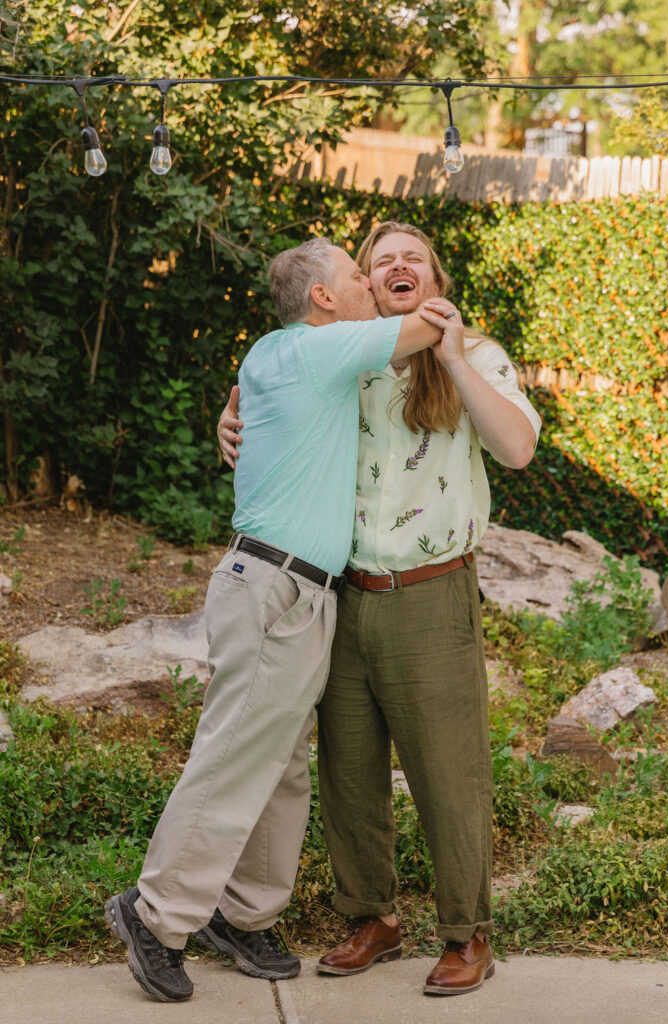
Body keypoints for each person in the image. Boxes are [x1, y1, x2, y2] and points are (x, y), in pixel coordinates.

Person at [105, 235, 461, 1003]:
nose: (373, 284)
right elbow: (432, 320)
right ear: (325, 298)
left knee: (281, 763)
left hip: (297, 590)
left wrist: (228, 419)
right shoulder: (316, 350)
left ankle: (244, 915)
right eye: (361, 276)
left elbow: (251, 415)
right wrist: (426, 292)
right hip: (275, 585)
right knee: (234, 754)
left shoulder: (277, 355)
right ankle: (156, 913)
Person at [218, 222, 541, 997]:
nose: (396, 267)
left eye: (413, 259)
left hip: (431, 594)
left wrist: (454, 359)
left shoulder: (478, 356)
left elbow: (517, 448)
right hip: (339, 594)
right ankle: (373, 917)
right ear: (362, 283)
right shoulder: (346, 359)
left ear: (434, 276)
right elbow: (268, 414)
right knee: (349, 772)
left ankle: (467, 933)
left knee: (448, 773)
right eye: (380, 261)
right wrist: (229, 425)